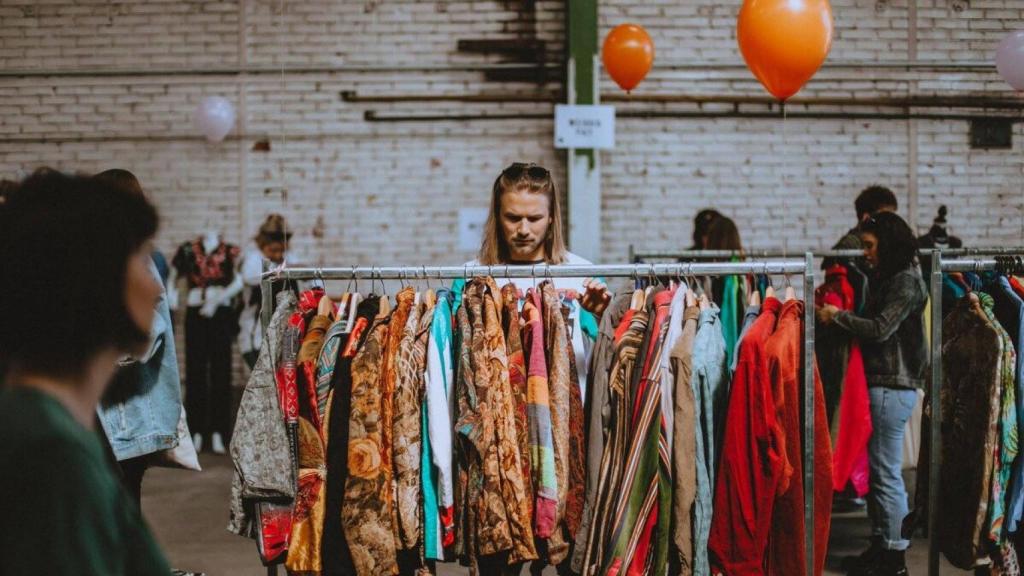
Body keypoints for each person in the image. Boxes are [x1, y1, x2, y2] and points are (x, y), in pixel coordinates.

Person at [0, 169, 172, 575]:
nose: (157, 288)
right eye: (139, 259)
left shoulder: (52, 429)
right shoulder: (50, 453)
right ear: (94, 277)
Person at [817, 212, 928, 576]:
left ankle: (894, 555)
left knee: (886, 473)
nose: (865, 253)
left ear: (888, 244)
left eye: (869, 245)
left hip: (892, 385)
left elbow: (880, 329)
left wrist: (837, 316)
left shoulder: (906, 283)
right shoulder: (892, 278)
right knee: (882, 474)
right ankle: (882, 545)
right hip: (884, 384)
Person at [472, 162, 610, 317]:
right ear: (497, 216)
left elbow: (603, 339)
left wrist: (601, 316)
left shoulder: (585, 276)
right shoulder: (470, 277)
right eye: (513, 218)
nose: (523, 230)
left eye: (534, 219)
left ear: (551, 217)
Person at [239, 214, 292, 369]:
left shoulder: (284, 258)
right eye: (273, 250)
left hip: (276, 330)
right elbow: (249, 277)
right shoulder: (253, 260)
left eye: (280, 250)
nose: (278, 254)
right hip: (254, 330)